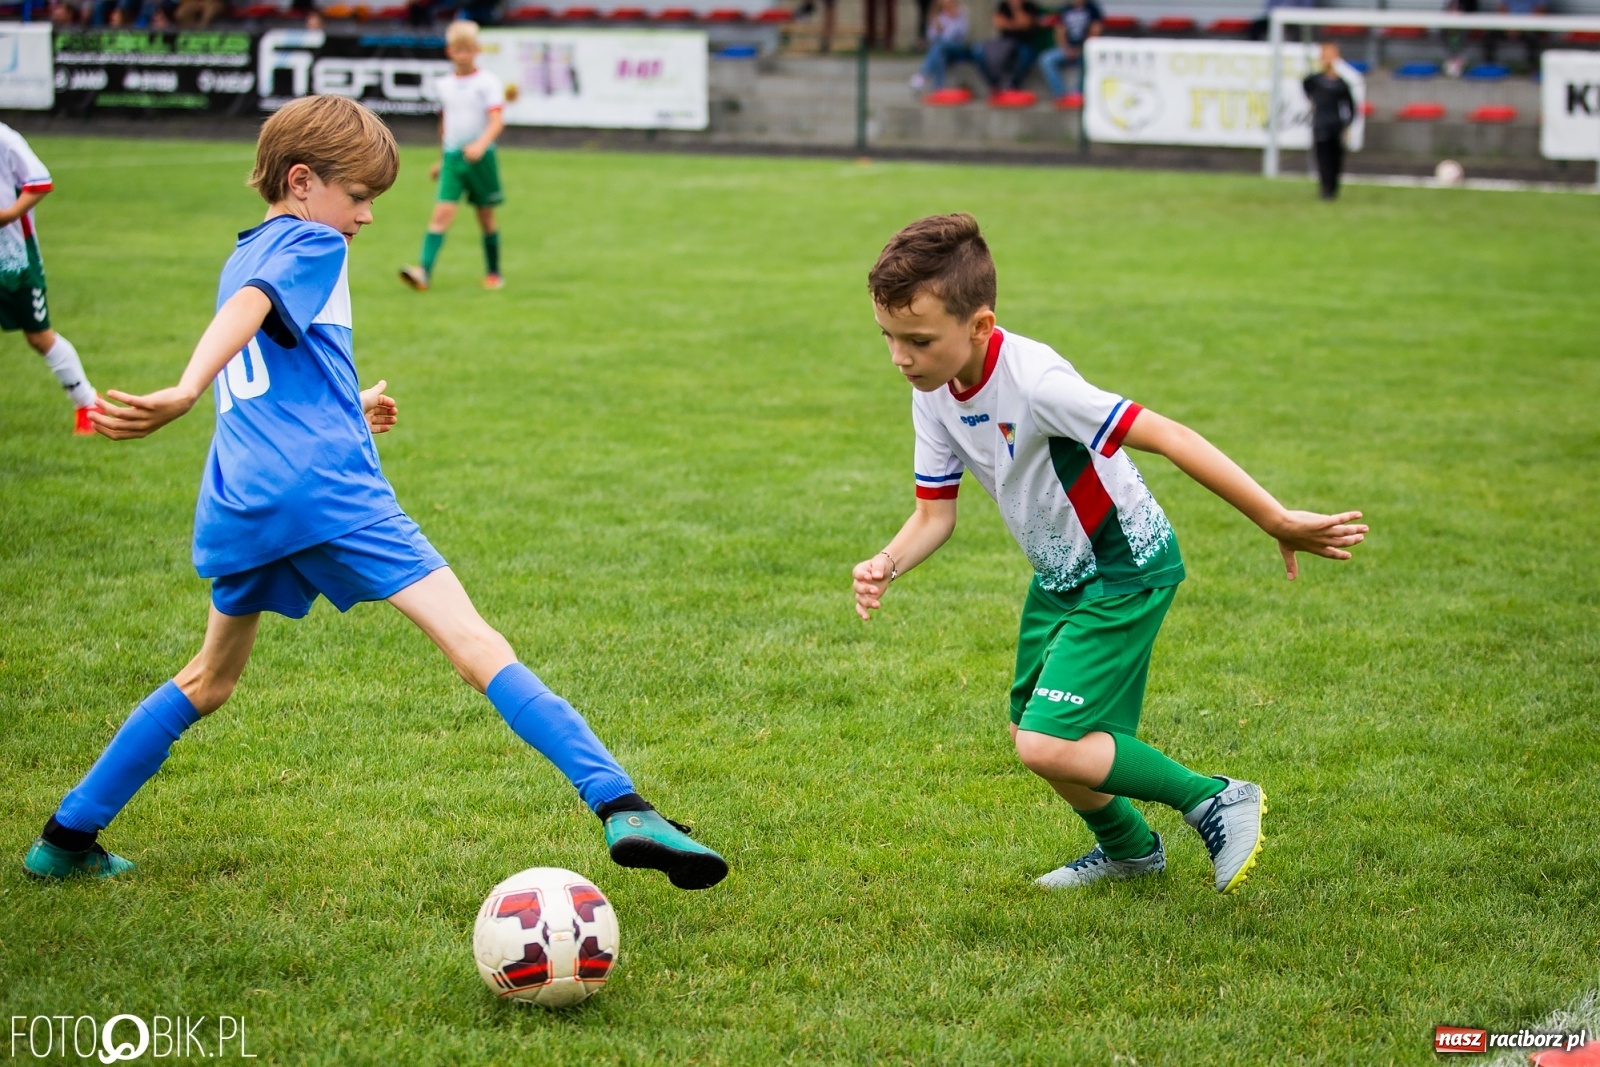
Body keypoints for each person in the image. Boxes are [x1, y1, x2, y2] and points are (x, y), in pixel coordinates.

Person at [22, 95, 727, 893]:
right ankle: (621, 802)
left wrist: (348, 408)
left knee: (208, 680)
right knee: (475, 642)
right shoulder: (312, 240)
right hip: (325, 490)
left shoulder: (245, 251)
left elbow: (269, 371)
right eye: (357, 195)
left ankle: (65, 837)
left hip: (245, 497)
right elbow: (252, 313)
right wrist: (186, 387)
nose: (364, 215)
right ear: (301, 181)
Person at [854, 214, 1366, 893]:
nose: (900, 357)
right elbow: (934, 514)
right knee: (1033, 732)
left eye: (917, 340)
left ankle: (1215, 797)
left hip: (1123, 566)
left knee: (1049, 740)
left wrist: (1275, 517)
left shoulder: (1037, 383)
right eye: (888, 337)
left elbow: (1169, 435)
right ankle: (1129, 850)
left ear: (980, 326)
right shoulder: (933, 389)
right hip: (1060, 577)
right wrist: (888, 561)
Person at [0, 122, 97, 435]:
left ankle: (87, 403)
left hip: (15, 261)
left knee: (39, 337)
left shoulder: (5, 139)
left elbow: (40, 182)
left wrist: (9, 214)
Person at [400, 19, 506, 292]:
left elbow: (496, 121)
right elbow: (446, 123)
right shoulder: (444, 84)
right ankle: (423, 271)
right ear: (450, 51)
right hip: (453, 158)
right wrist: (441, 158)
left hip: (481, 159)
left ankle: (494, 273)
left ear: (477, 50)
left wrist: (480, 145)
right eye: (459, 50)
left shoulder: (487, 83)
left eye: (468, 49)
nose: (463, 55)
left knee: (486, 217)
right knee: (441, 214)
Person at [1302, 44, 1356, 201]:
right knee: (1323, 159)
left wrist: (1347, 125)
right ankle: (1325, 190)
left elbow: (1350, 106)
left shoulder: (1340, 83)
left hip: (1336, 125)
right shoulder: (1316, 81)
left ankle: (1333, 189)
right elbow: (1306, 85)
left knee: (1336, 159)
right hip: (1321, 124)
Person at [1038, 0, 1102, 100]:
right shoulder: (1066, 9)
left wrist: (1081, 49)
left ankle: (1078, 94)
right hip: (1067, 48)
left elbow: (1095, 31)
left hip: (1085, 49)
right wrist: (1066, 49)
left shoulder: (1092, 9)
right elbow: (1059, 30)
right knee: (1046, 59)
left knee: (1087, 59)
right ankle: (1060, 94)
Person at [911, 0, 979, 91]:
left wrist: (954, 19)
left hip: (959, 48)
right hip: (944, 49)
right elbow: (931, 36)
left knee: (939, 46)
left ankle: (923, 74)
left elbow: (962, 34)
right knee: (939, 54)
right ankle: (939, 88)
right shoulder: (939, 16)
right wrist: (937, 28)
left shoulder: (961, 12)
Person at [983, 0, 1042, 93]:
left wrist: (1016, 8)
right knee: (979, 51)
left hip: (1024, 43)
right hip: (1005, 43)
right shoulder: (1003, 6)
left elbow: (1024, 24)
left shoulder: (1030, 7)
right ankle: (995, 85)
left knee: (1026, 55)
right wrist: (1015, 24)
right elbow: (998, 23)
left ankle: (1013, 85)